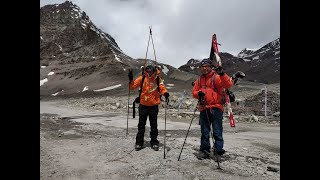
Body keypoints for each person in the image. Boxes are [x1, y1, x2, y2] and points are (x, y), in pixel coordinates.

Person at [192, 58, 233, 159]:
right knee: (205, 131)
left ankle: (218, 151)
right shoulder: (199, 80)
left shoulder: (217, 77)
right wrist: (198, 93)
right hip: (203, 108)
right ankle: (205, 151)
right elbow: (194, 93)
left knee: (217, 131)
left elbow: (228, 84)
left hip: (216, 108)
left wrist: (222, 74)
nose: (204, 68)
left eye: (206, 66)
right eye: (202, 67)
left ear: (210, 67)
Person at [128, 62, 170, 151]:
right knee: (141, 125)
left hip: (154, 106)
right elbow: (132, 87)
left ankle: (154, 142)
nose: (149, 70)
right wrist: (131, 79)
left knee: (154, 125)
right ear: (145, 69)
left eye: (151, 68)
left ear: (154, 69)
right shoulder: (142, 78)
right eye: (148, 68)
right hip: (143, 105)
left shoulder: (158, 79)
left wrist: (165, 93)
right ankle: (139, 142)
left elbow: (162, 88)